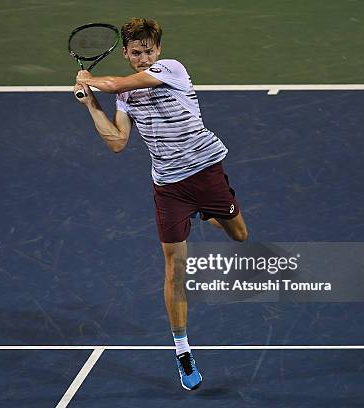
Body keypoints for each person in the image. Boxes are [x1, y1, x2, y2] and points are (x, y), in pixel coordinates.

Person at [74, 17, 248, 391]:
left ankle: (211, 215)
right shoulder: (123, 97)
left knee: (240, 236)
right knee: (174, 267)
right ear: (125, 51)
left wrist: (90, 81)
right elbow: (118, 141)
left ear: (159, 50)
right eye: (136, 52)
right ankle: (183, 351)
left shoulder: (171, 70)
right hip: (169, 187)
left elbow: (117, 82)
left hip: (205, 170)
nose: (143, 57)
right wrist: (91, 105)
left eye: (149, 50)